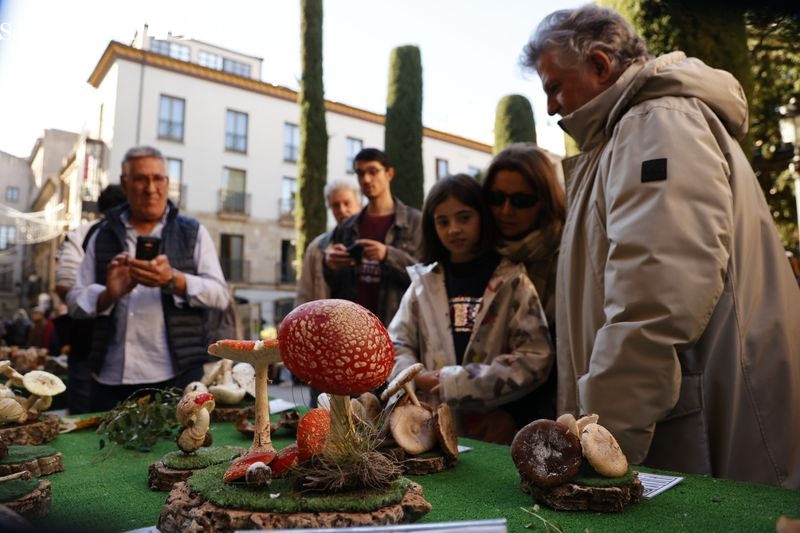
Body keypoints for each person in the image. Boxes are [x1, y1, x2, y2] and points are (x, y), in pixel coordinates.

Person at [523, 5, 800, 488]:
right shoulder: (631, 131)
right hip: (683, 412)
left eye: (554, 86)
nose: (550, 107)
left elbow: (655, 297)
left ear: (600, 64)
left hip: (695, 429)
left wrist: (604, 441)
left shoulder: (655, 123)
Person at [387, 174, 554, 445]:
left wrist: (452, 381)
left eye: (464, 217)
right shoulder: (423, 284)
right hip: (427, 429)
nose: (453, 229)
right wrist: (415, 375)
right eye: (443, 221)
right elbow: (396, 342)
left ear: (482, 217)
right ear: (432, 226)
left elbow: (535, 357)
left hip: (493, 430)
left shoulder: (511, 280)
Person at [69, 145, 230, 412]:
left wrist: (174, 280)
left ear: (167, 183)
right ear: (125, 183)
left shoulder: (192, 232)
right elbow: (74, 302)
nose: (150, 188)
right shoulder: (103, 234)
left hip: (176, 377)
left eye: (158, 179)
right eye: (141, 179)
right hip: (109, 378)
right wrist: (108, 294)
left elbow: (220, 296)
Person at [482, 143, 566, 420]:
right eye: (496, 198)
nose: (505, 210)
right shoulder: (481, 249)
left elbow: (559, 352)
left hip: (545, 408)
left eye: (521, 201)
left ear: (544, 199)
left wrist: (513, 416)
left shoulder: (564, 254)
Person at [323, 148, 422, 326]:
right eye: (360, 173)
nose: (366, 179)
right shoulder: (347, 227)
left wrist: (387, 255)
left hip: (398, 330)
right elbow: (335, 287)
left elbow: (426, 278)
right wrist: (331, 265)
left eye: (373, 171)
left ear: (389, 173)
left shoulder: (415, 222)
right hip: (352, 330)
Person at [55, 184, 126, 413]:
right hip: (90, 345)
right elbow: (65, 287)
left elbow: (63, 286)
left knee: (86, 421)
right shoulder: (84, 235)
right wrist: (103, 297)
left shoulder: (80, 234)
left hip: (91, 345)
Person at [294, 178, 362, 306]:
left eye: (347, 203)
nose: (342, 210)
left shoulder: (372, 242)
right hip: (329, 321)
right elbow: (304, 294)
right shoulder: (317, 248)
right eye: (336, 205)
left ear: (359, 205)